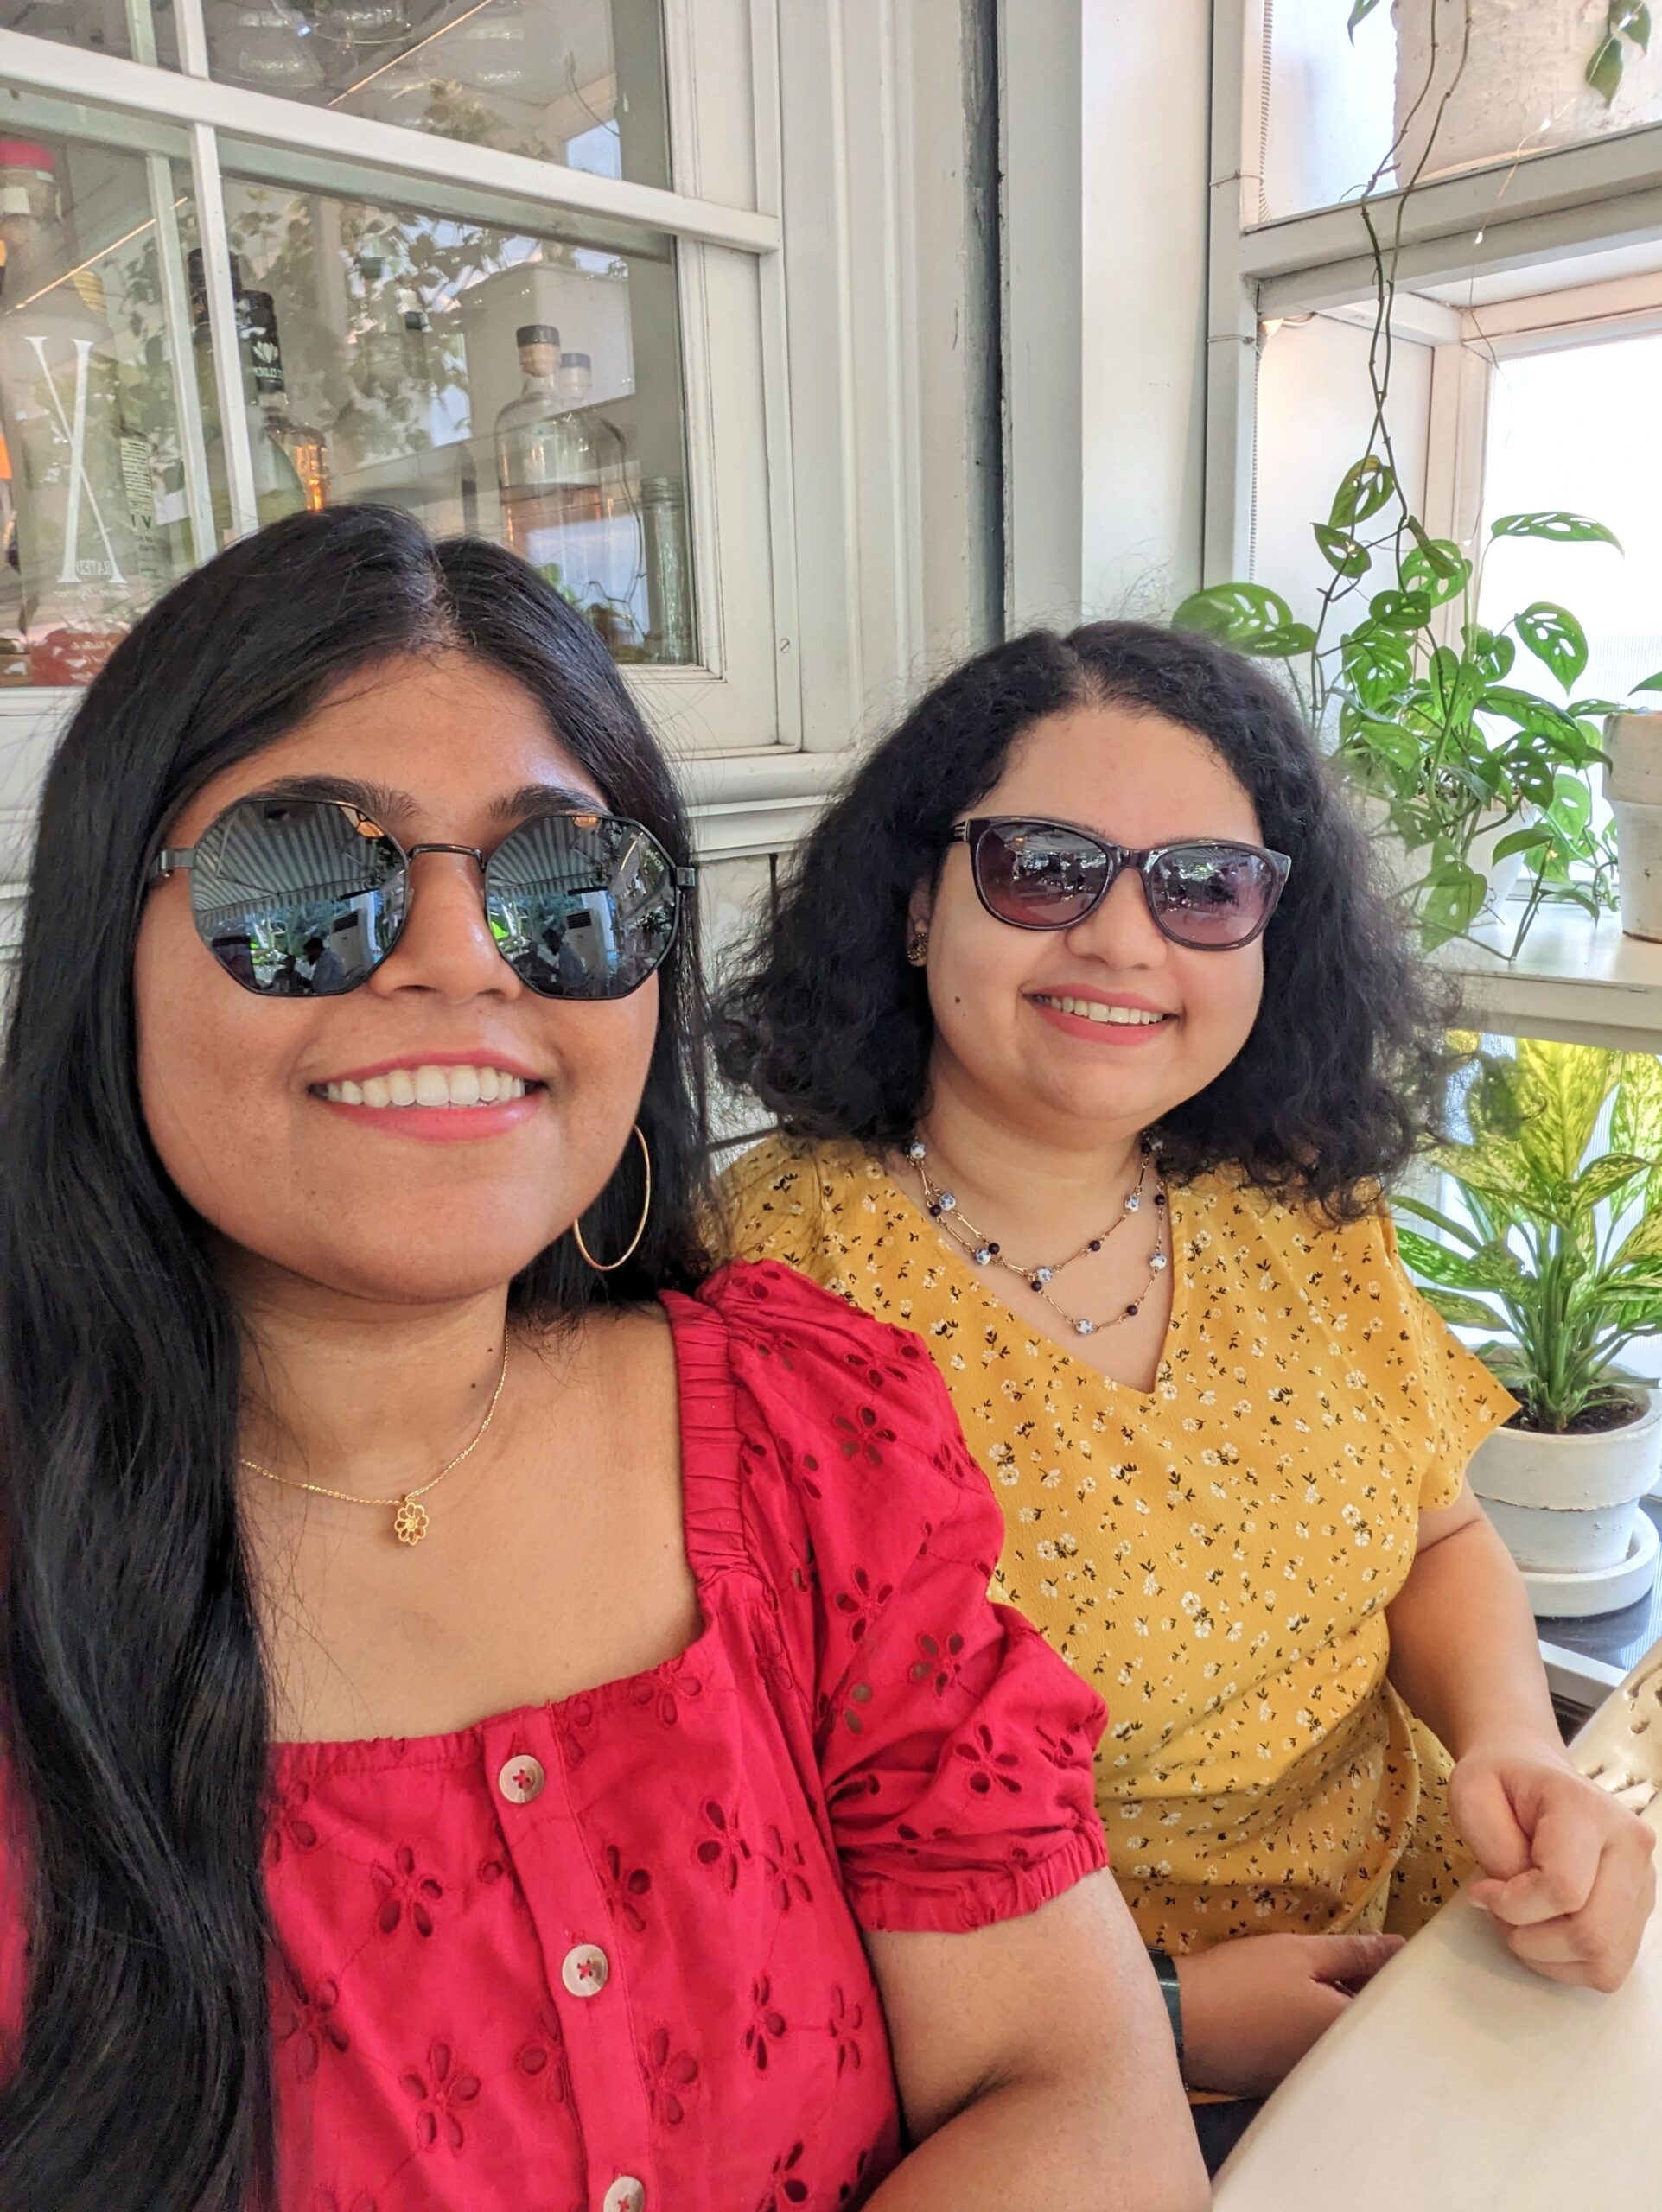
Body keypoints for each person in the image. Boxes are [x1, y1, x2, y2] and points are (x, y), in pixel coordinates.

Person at [0, 519, 1205, 2212]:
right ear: (103, 943)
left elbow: (1076, 2090)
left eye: (558, 883)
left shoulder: (812, 1444)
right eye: (301, 874)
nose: (459, 954)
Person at [713, 620, 1658, 2168]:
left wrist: (1515, 1753)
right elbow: (756, 1840)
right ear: (915, 903)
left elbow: (1437, 1536)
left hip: (1448, 1948)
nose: (1123, 941)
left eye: (1203, 887)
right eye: (1042, 869)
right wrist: (1159, 2010)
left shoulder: (1295, 1202)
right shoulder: (768, 1291)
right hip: (1061, 2081)